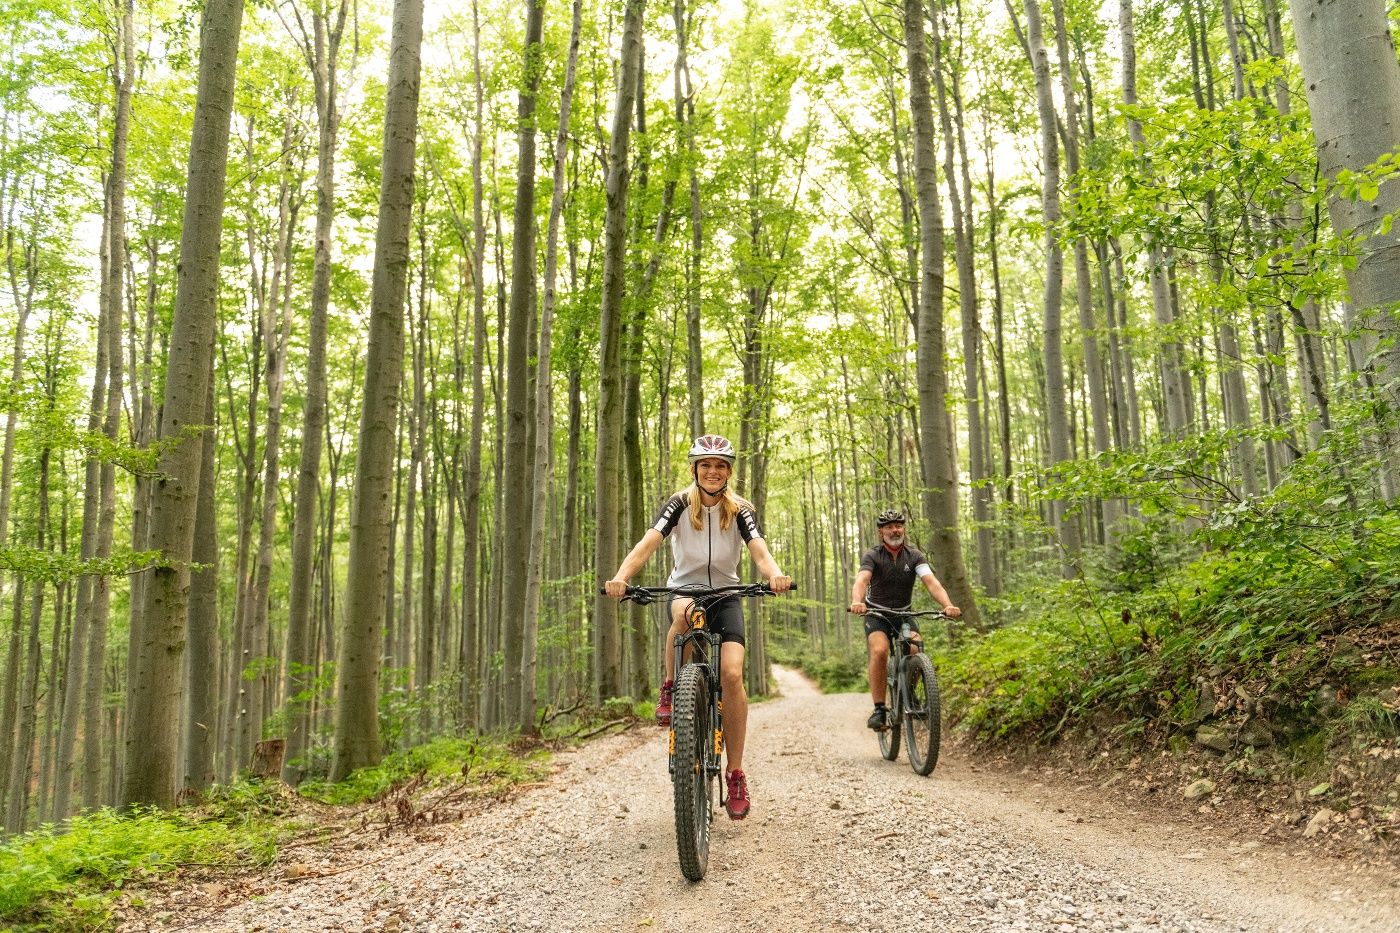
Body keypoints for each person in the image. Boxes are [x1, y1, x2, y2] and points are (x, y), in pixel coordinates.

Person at [604, 434, 791, 820]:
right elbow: (648, 543)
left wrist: (774, 574)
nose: (713, 471)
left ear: (729, 472)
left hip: (727, 594)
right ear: (694, 469)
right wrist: (621, 576)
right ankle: (672, 686)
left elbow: (758, 549)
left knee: (732, 675)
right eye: (705, 464)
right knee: (686, 614)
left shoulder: (740, 510)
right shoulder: (678, 504)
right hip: (685, 590)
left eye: (720, 465)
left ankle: (735, 774)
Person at [848, 508, 961, 731]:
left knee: (916, 647)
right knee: (880, 650)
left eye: (898, 526)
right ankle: (880, 709)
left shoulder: (915, 556)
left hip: (904, 614)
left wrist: (947, 605)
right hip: (877, 614)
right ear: (881, 532)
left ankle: (909, 692)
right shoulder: (873, 555)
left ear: (904, 529)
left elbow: (931, 582)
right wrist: (856, 601)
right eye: (889, 527)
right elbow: (862, 580)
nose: (895, 530)